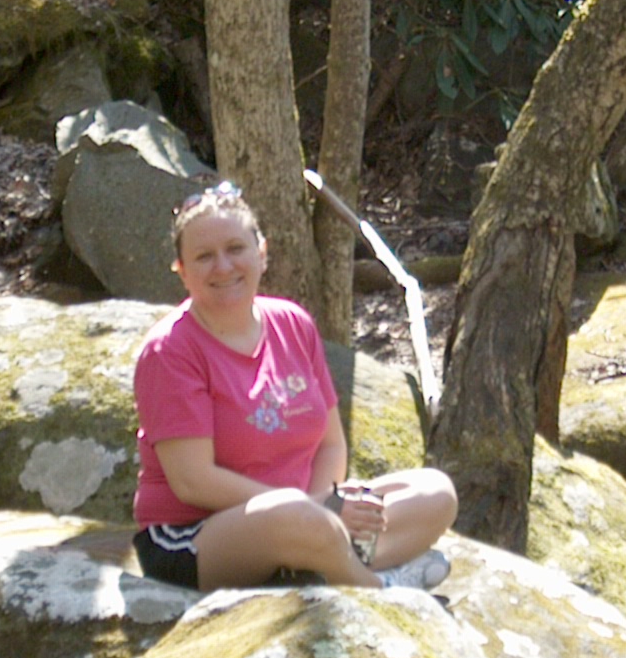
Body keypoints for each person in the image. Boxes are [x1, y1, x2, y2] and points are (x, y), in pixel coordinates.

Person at [131, 180, 458, 592]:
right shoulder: (170, 350)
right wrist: (316, 509)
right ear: (182, 270)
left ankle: (322, 561)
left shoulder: (292, 323)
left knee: (435, 492)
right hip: (196, 536)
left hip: (301, 513)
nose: (224, 267)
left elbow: (331, 444)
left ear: (262, 253)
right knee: (292, 516)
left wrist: (328, 507)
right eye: (204, 256)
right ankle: (379, 590)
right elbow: (194, 481)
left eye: (235, 248)